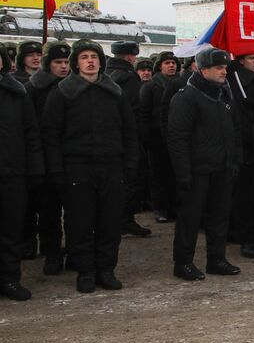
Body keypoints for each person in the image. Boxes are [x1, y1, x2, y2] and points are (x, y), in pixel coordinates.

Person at [41, 40, 138, 293]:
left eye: (94, 56)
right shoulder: (62, 92)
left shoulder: (114, 91)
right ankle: (85, 271)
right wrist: (57, 170)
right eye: (84, 57)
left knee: (110, 222)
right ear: (76, 62)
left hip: (111, 166)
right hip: (77, 167)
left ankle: (106, 269)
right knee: (79, 222)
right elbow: (50, 135)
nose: (90, 61)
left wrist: (130, 165)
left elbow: (129, 131)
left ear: (101, 61)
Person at [166, 48, 242, 281]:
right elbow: (177, 138)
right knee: (190, 218)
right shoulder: (186, 97)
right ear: (203, 70)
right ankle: (183, 263)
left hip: (221, 168)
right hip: (196, 170)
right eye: (219, 68)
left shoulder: (223, 94)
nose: (224, 71)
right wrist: (183, 173)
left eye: (225, 67)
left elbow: (233, 131)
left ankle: (216, 259)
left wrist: (233, 160)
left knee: (219, 216)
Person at [1, 48, 43, 300]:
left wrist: (35, 169)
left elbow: (32, 133)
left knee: (11, 230)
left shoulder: (16, 91)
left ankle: (9, 279)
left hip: (12, 172)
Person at [24, 43, 69, 272]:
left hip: (71, 156)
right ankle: (51, 253)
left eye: (66, 62)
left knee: (74, 212)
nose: (63, 67)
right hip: (45, 156)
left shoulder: (73, 86)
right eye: (57, 62)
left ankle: (73, 252)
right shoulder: (34, 88)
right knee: (49, 211)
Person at [107, 41, 153, 238]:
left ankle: (123, 219)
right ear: (129, 57)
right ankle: (122, 220)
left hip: (114, 136)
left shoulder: (108, 73)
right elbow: (133, 110)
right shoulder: (127, 76)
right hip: (128, 136)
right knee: (135, 178)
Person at [228, 53, 254, 257]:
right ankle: (247, 239)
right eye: (251, 58)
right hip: (244, 145)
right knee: (245, 195)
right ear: (241, 60)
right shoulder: (233, 80)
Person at [139, 52, 181, 223]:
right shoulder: (150, 86)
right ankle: (160, 208)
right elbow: (144, 113)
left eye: (173, 62)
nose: (171, 66)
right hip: (156, 137)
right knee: (158, 174)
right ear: (160, 66)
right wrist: (146, 137)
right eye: (167, 63)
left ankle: (173, 206)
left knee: (174, 174)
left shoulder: (180, 84)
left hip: (175, 135)